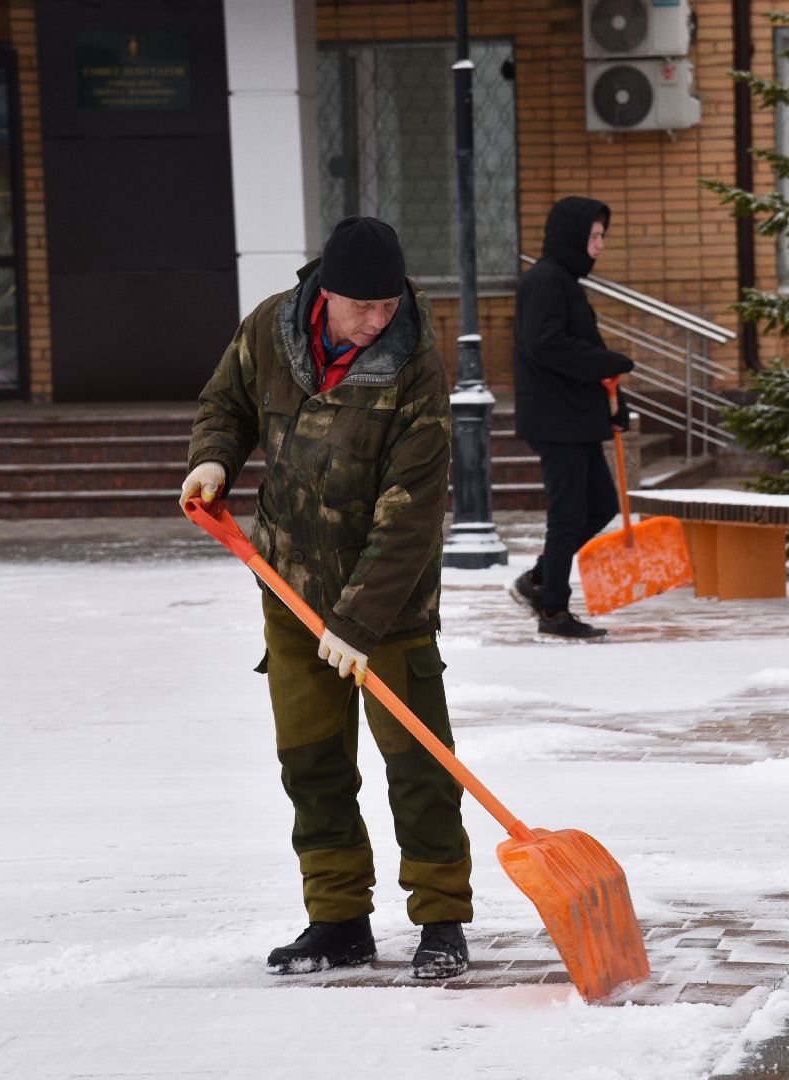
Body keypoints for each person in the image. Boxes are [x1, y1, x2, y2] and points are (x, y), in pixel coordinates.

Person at [180, 216, 472, 980]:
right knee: (311, 763)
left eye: (387, 307)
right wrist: (213, 462)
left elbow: (410, 512)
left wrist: (357, 621)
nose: (378, 321)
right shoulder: (270, 332)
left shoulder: (415, 365)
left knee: (418, 765)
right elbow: (226, 404)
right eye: (361, 308)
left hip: (388, 606)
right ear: (325, 292)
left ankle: (441, 920)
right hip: (287, 583)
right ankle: (338, 918)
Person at [508, 196, 635, 640]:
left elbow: (579, 349)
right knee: (567, 515)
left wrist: (615, 406)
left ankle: (540, 580)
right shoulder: (545, 281)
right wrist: (607, 361)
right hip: (556, 419)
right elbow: (546, 344)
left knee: (601, 504)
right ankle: (553, 612)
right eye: (594, 236)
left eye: (602, 236)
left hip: (577, 416)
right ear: (572, 235)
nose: (599, 245)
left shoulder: (564, 281)